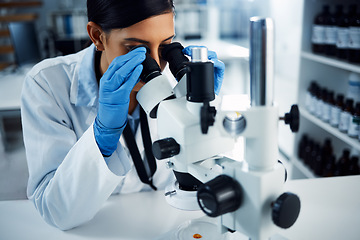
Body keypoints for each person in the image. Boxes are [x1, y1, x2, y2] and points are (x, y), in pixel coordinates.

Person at [21, 0, 225, 231]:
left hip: (162, 222)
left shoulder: (175, 86)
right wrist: (102, 136)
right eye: (136, 49)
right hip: (94, 228)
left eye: (166, 47)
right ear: (97, 35)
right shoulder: (47, 83)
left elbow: (199, 177)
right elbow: (56, 211)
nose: (156, 66)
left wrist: (203, 112)